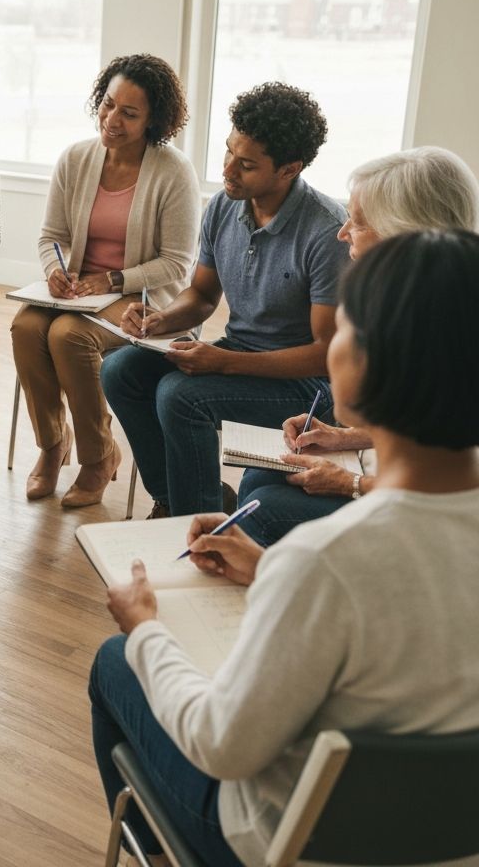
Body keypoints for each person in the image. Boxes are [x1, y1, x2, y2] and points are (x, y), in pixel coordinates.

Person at [90, 229, 479, 866]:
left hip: (294, 841)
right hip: (451, 843)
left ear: (369, 362)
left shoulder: (328, 559)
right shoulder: (321, 564)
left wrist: (144, 630)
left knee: (118, 661)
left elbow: (222, 745)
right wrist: (270, 568)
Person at [101, 82, 349, 517]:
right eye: (229, 152)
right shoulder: (223, 207)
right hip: (241, 356)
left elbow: (326, 356)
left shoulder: (326, 231)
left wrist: (222, 363)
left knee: (181, 396)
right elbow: (200, 295)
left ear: (290, 169)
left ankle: (197, 522)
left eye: (247, 164)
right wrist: (161, 319)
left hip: (306, 387)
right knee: (120, 369)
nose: (229, 170)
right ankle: (181, 500)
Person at [237, 145, 479, 544]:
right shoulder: (408, 303)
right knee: (262, 473)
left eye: (359, 223)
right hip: (381, 472)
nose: (342, 232)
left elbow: (452, 487)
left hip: (415, 511)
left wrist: (353, 483)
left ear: (406, 232)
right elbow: (434, 426)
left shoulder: (446, 327)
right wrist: (344, 437)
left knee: (264, 512)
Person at [10, 54, 201, 507]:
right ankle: (53, 446)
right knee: (26, 326)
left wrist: (112, 279)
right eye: (108, 105)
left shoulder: (173, 172)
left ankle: (99, 456)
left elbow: (177, 263)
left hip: (141, 297)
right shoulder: (75, 158)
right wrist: (55, 270)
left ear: (154, 121)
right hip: (77, 292)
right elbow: (50, 237)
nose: (112, 119)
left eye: (129, 113)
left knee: (69, 336)